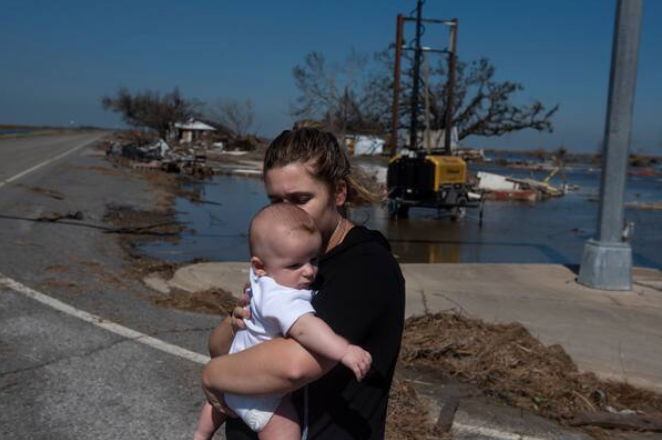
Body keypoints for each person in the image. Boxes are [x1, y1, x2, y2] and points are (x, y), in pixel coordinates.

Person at [202, 127, 406, 439]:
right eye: (275, 200)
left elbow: (292, 367)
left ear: (338, 193)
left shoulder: (366, 267)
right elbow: (220, 347)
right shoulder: (281, 258)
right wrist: (234, 322)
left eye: (301, 199)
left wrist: (213, 375)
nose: (286, 212)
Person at [194, 203, 372, 440]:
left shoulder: (261, 279)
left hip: (232, 378)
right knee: (287, 430)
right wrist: (344, 350)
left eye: (313, 259)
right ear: (259, 266)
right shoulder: (283, 298)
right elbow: (306, 329)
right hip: (259, 392)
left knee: (219, 407)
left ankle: (200, 434)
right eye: (295, 265)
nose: (308, 272)